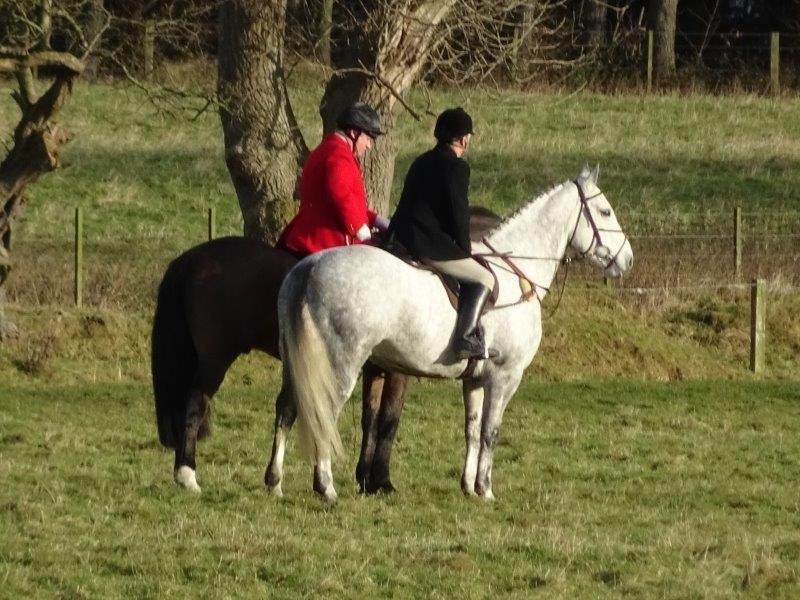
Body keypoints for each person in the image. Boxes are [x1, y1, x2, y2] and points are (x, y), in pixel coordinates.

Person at [386, 107, 496, 360]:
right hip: (428, 244)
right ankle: (466, 338)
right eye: (468, 137)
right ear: (463, 139)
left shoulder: (421, 160)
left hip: (400, 237)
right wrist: (465, 250)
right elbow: (458, 215)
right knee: (485, 277)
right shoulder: (456, 167)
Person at [277, 102, 390, 258]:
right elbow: (340, 194)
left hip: (312, 235)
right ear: (354, 132)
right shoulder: (339, 154)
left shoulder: (327, 148)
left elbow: (349, 204)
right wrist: (360, 228)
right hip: (324, 243)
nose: (369, 145)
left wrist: (376, 220)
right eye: (368, 138)